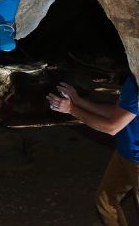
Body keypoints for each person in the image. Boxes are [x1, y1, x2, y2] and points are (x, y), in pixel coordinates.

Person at [48, 77, 139, 226]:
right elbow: (119, 112)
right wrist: (79, 101)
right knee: (105, 201)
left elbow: (112, 127)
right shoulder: (133, 79)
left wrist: (72, 109)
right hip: (125, 154)